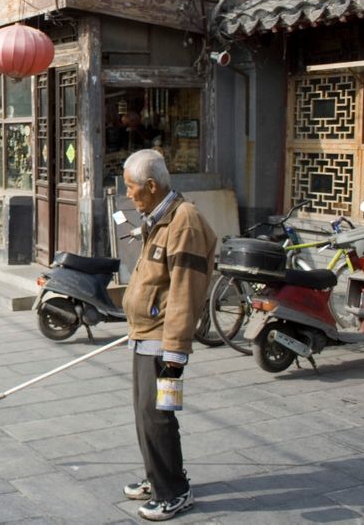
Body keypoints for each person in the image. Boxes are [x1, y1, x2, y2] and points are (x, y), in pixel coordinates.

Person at [120, 149, 216, 521]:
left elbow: (185, 292)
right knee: (145, 413)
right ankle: (157, 476)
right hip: (144, 332)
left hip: (164, 339)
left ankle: (174, 491)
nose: (129, 195)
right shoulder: (158, 216)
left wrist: (176, 353)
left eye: (132, 188)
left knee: (157, 414)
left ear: (151, 185)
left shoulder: (184, 222)